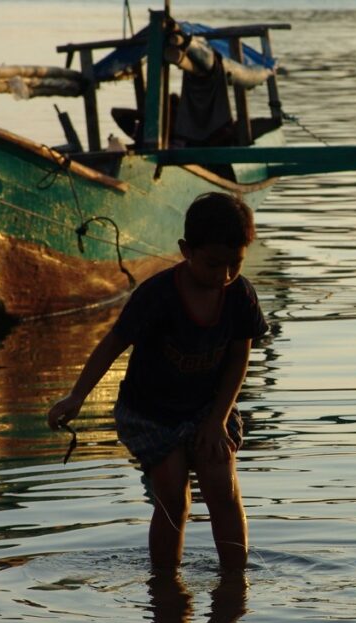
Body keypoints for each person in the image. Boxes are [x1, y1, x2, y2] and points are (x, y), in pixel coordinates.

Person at [47, 192, 268, 572]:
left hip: (208, 407)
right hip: (151, 412)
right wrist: (76, 396)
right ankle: (165, 583)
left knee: (222, 488)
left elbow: (238, 358)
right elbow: (112, 344)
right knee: (173, 496)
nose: (225, 276)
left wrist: (218, 419)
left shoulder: (240, 296)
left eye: (235, 264)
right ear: (186, 250)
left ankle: (235, 584)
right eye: (214, 264)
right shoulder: (157, 296)